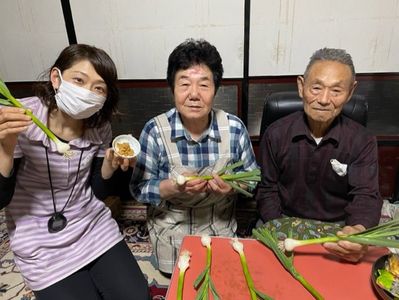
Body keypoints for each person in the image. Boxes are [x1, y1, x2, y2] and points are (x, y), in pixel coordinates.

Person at [0, 44, 149, 299]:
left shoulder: (99, 125)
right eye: (79, 80)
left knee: (138, 296)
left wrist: (109, 166)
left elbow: (98, 191)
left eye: (98, 88)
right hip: (39, 240)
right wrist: (5, 148)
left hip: (91, 225)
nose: (87, 93)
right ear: (56, 78)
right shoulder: (21, 119)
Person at [130, 38, 258, 275]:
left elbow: (252, 180)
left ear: (215, 90)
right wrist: (171, 188)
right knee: (178, 278)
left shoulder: (234, 128)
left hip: (219, 226)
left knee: (223, 277)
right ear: (172, 89)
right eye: (184, 84)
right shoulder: (155, 130)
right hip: (170, 229)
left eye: (204, 85)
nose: (194, 94)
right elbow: (139, 188)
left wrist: (231, 187)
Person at [255, 48, 382, 262]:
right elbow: (267, 189)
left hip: (337, 228)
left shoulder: (363, 141)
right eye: (316, 87)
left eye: (336, 91)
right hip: (284, 219)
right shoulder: (275, 134)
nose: (323, 99)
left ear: (350, 93)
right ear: (301, 86)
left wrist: (357, 231)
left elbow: (366, 196)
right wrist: (278, 227)